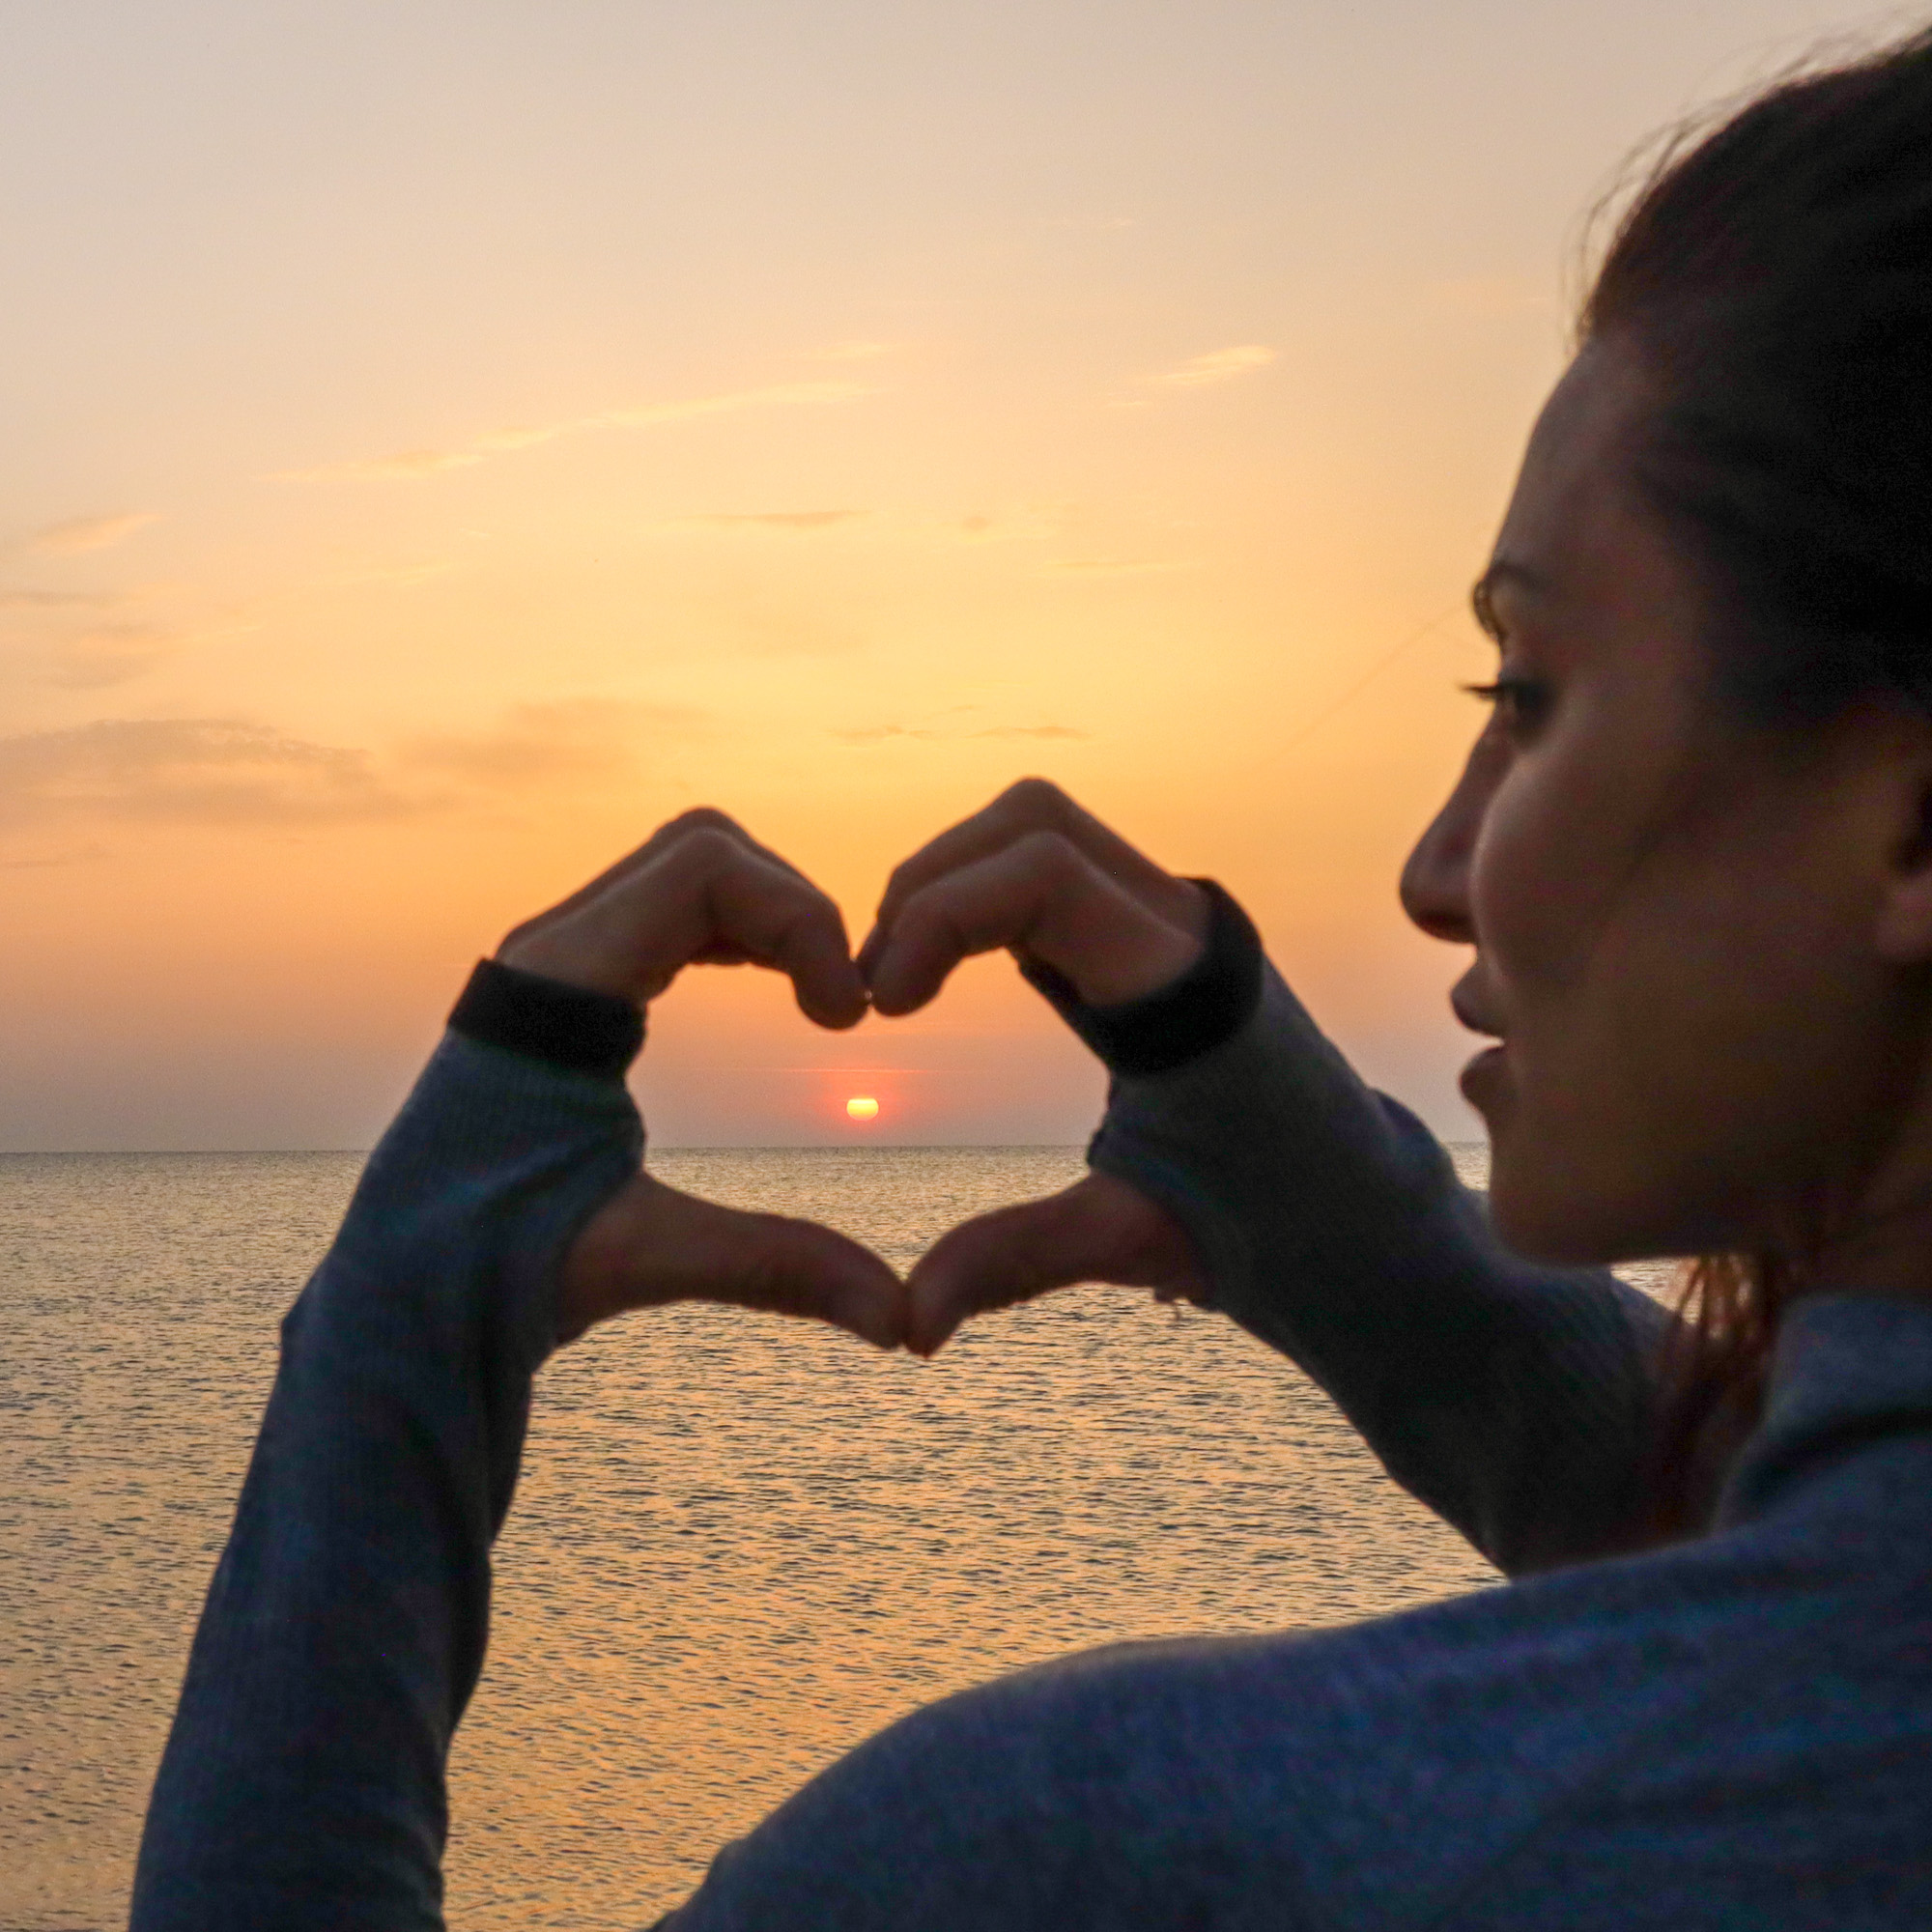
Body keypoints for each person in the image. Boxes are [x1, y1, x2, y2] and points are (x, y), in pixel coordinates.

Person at [128, 28, 1932, 1931]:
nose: (1429, 872)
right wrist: (1356, 1239)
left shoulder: (1068, 1854)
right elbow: (1809, 1608)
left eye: (1531, 695)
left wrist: (414, 1309)